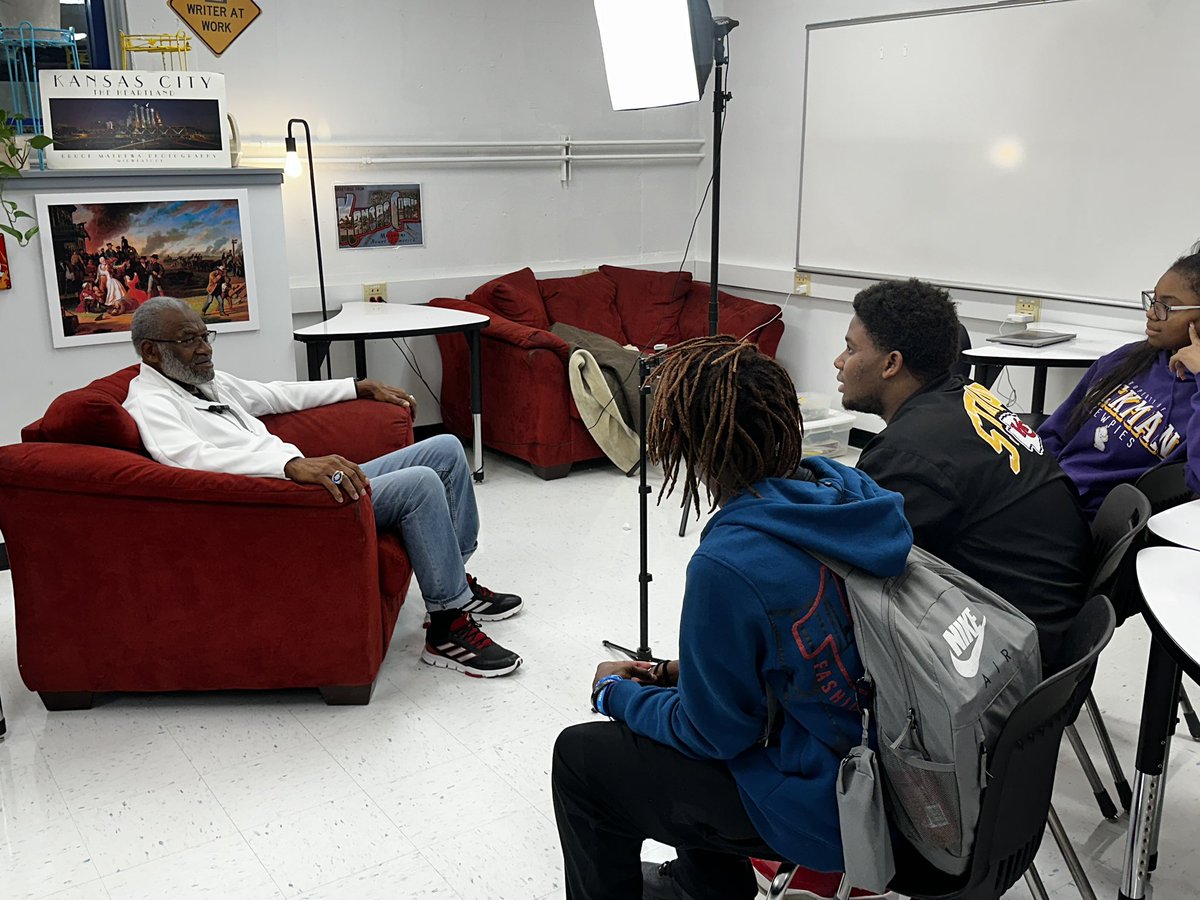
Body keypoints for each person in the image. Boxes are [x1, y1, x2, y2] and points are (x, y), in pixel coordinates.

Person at [551, 336, 913, 900]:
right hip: (892, 767)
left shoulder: (732, 563)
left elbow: (711, 734)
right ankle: (704, 886)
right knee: (682, 708)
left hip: (833, 806)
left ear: (690, 446)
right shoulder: (848, 492)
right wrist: (672, 673)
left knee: (581, 760)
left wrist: (615, 697)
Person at [122, 297, 524, 678]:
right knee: (420, 484)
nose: (205, 348)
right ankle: (447, 626)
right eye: (188, 340)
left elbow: (275, 394)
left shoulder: (201, 381)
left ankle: (455, 579)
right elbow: (189, 460)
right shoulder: (151, 403)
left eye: (205, 335)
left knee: (446, 450)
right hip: (284, 503)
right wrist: (290, 465)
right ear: (151, 351)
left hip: (299, 486)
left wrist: (357, 385)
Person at [835, 278, 1092, 668]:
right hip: (1046, 623)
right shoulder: (969, 394)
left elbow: (856, 566)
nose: (840, 361)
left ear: (892, 364)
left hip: (1005, 657)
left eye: (852, 349)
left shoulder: (910, 455)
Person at [1039, 251, 1200, 516]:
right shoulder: (1127, 358)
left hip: (1087, 522)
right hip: (1048, 493)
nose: (1151, 313)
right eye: (1153, 300)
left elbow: (1196, 482)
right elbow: (1056, 433)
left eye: (1167, 307)